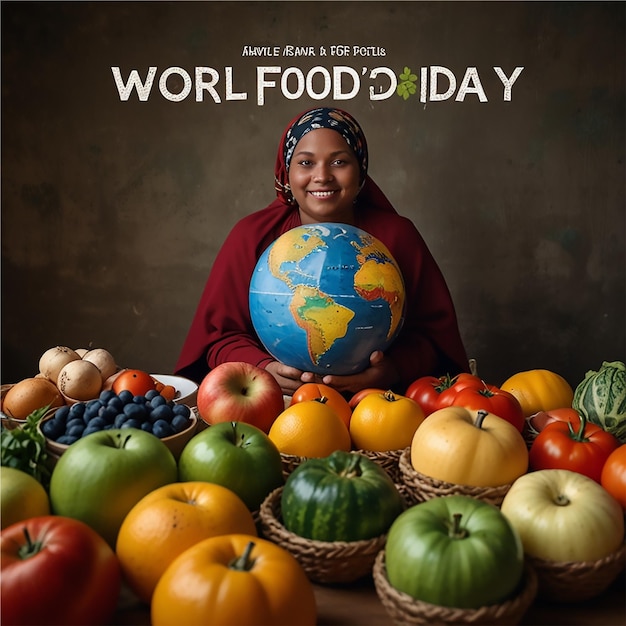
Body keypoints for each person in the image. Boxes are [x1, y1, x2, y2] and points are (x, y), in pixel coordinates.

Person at [175, 107, 468, 396]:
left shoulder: (398, 237)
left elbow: (434, 339)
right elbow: (218, 339)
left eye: (339, 162)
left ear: (361, 169)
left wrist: (393, 369)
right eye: (305, 163)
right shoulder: (250, 236)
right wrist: (262, 367)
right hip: (275, 406)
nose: (322, 176)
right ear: (286, 172)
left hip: (379, 407)